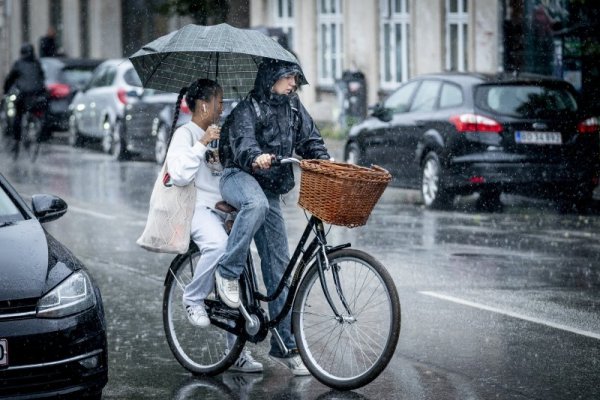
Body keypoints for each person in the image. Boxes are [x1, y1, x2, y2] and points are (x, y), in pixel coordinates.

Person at [216, 59, 331, 376]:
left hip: (268, 188)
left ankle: (284, 345)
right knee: (257, 206)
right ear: (272, 78)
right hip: (238, 176)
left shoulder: (293, 108)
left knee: (279, 265)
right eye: (288, 77)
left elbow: (311, 140)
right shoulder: (247, 109)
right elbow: (243, 143)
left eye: (295, 77)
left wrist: (324, 162)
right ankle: (226, 272)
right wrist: (256, 157)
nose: (294, 83)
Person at [166, 78, 262, 373]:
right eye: (219, 101)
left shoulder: (219, 133)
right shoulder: (186, 134)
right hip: (195, 210)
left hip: (220, 210)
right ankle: (192, 297)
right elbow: (179, 174)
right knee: (219, 246)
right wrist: (202, 144)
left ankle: (234, 349)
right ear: (205, 104)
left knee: (238, 275)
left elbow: (221, 178)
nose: (223, 107)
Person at [3, 43, 47, 155]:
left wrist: (5, 90)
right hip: (37, 96)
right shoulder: (37, 63)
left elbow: (10, 79)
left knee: (17, 116)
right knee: (39, 113)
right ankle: (38, 132)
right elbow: (42, 77)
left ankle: (16, 141)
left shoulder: (19, 64)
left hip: (23, 96)